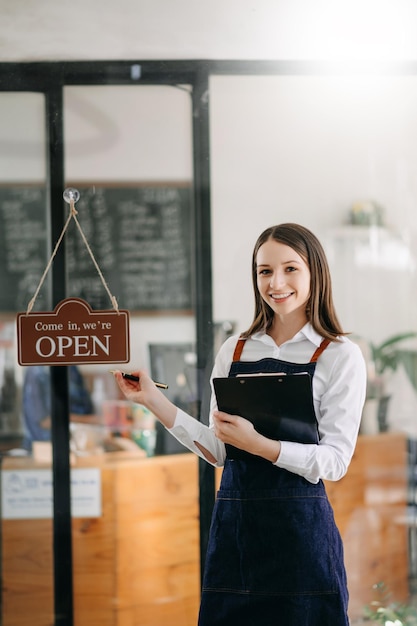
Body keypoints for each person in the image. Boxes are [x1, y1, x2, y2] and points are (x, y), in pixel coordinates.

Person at [113, 223, 367, 626]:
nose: (276, 282)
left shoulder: (340, 355)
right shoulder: (236, 349)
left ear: (314, 273)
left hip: (301, 539)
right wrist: (151, 400)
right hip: (236, 535)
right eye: (264, 271)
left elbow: (335, 461)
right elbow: (219, 450)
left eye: (290, 268)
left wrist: (260, 444)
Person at [22, 365, 94, 450]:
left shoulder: (72, 368)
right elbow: (44, 421)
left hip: (79, 446)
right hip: (44, 449)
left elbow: (86, 407)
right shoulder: (36, 371)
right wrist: (90, 420)